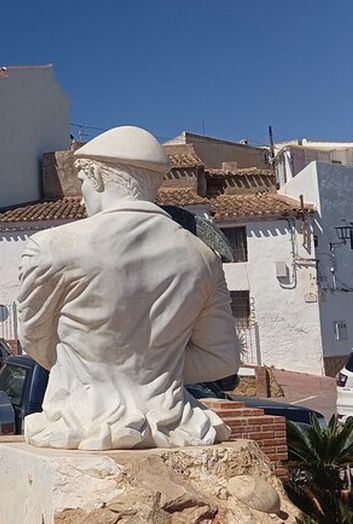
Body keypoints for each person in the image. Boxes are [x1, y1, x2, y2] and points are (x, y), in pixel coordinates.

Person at [16, 126, 241, 450]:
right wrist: (153, 373)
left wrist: (99, 373)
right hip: (174, 421)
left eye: (82, 184)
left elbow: (35, 340)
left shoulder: (52, 246)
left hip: (82, 418)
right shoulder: (204, 258)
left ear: (97, 178)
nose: (82, 201)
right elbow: (222, 359)